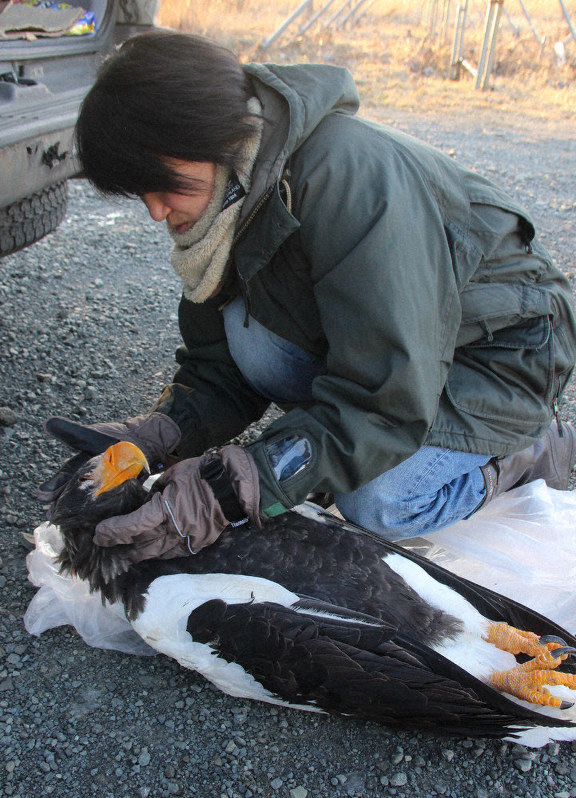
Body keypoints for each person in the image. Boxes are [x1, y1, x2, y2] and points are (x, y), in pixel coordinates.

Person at [40, 30, 576, 561]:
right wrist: (164, 431)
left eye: (167, 186)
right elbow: (220, 364)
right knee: (256, 348)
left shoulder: (351, 183)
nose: (157, 211)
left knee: (379, 501)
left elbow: (383, 398)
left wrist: (230, 491)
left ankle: (528, 447)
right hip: (412, 352)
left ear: (217, 141)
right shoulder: (227, 200)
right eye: (143, 194)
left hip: (501, 355)